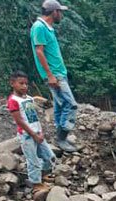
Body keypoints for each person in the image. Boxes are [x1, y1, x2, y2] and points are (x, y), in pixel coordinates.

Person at [30, 0, 77, 153]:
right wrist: (50, 75)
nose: (61, 15)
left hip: (58, 73)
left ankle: (60, 136)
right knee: (70, 104)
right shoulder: (39, 27)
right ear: (54, 12)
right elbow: (39, 51)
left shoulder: (47, 28)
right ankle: (61, 138)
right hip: (54, 75)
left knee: (60, 105)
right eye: (60, 12)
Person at [7, 70, 55, 196]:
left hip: (37, 133)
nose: (24, 86)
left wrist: (40, 131)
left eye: (26, 84)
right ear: (12, 83)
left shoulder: (28, 98)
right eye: (21, 83)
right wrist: (34, 134)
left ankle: (43, 175)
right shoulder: (13, 100)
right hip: (27, 135)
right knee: (32, 160)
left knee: (49, 156)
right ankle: (36, 184)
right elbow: (19, 121)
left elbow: (32, 117)